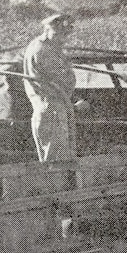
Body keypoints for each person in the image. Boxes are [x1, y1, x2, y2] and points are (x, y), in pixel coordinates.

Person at [23, 13, 78, 162]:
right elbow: (62, 81)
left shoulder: (46, 46)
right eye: (58, 33)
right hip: (51, 109)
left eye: (65, 34)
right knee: (56, 163)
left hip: (50, 107)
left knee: (52, 160)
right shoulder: (44, 50)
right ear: (47, 30)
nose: (62, 38)